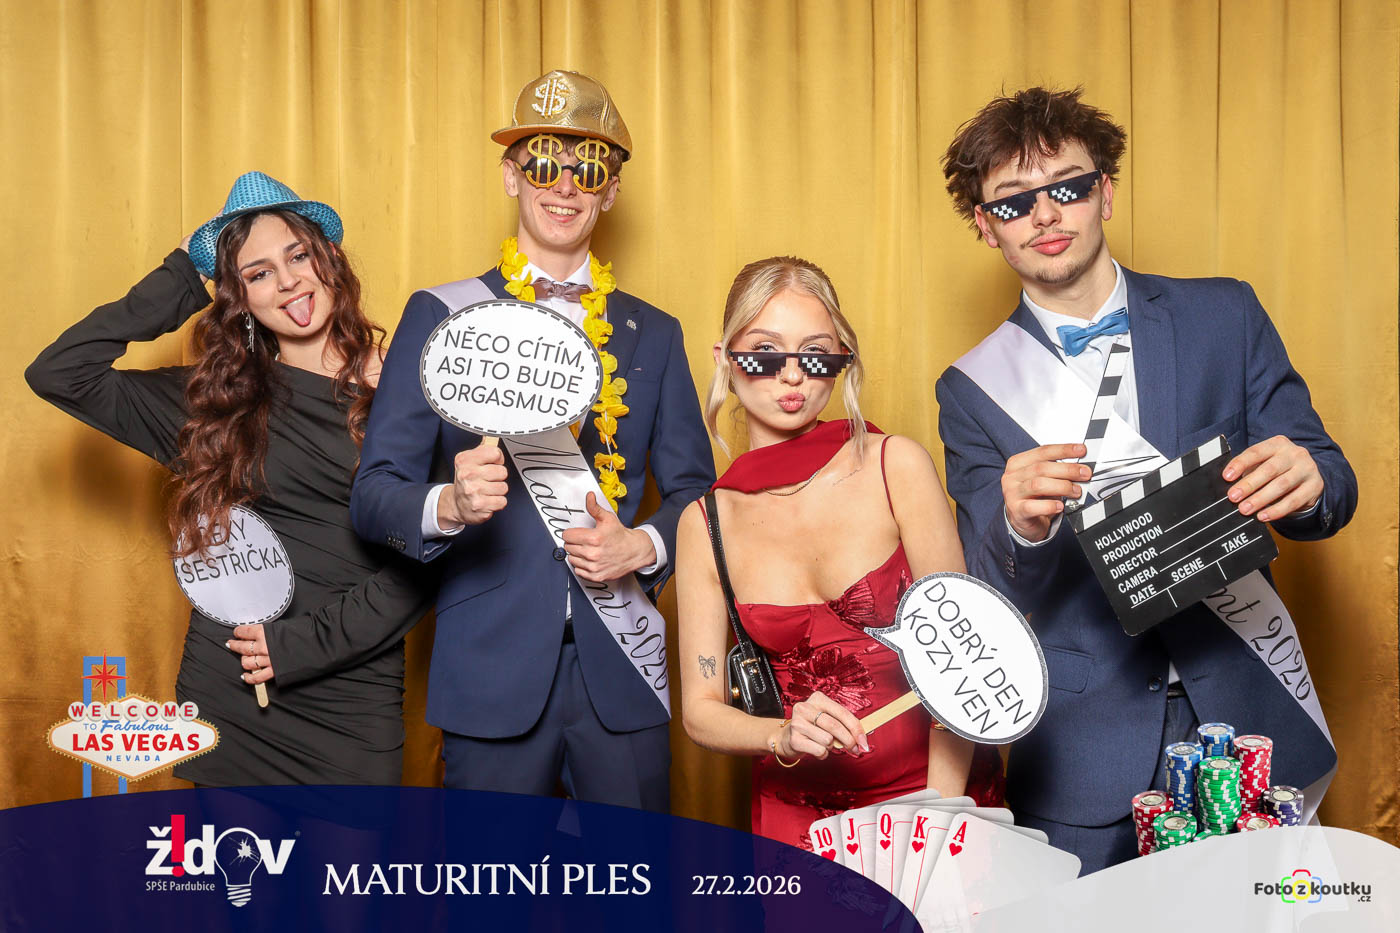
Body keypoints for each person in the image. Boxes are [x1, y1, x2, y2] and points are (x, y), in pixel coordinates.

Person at [935, 87, 1356, 872]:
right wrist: (1018, 525)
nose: (1045, 213)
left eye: (1066, 186)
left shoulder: (1225, 316)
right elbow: (986, 590)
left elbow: (1329, 480)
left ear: (1106, 191)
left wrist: (1311, 480)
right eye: (1014, 201)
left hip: (1248, 707)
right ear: (987, 226)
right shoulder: (971, 389)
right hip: (1081, 752)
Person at [350, 70, 713, 810]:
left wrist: (643, 546)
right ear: (511, 175)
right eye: (545, 164)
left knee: (638, 879)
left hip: (623, 666)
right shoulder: (441, 314)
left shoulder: (655, 332)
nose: (565, 186)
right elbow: (373, 494)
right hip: (489, 670)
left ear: (611, 192)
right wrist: (449, 503)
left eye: (590, 169)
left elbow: (698, 495)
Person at [26, 171, 436, 785]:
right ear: (238, 297)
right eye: (259, 273)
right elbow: (60, 372)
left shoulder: (410, 386)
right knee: (231, 857)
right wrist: (183, 278)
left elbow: (426, 561)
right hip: (233, 687)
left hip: (352, 694)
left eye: (298, 256)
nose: (288, 280)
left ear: (329, 260)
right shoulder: (213, 405)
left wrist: (296, 647)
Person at [676, 256, 1003, 848]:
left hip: (938, 800)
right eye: (765, 352)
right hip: (800, 819)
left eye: (815, 354)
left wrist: (938, 821)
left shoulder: (895, 466)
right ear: (725, 359)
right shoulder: (705, 524)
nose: (791, 376)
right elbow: (701, 710)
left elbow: (965, 663)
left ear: (842, 360)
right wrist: (779, 735)